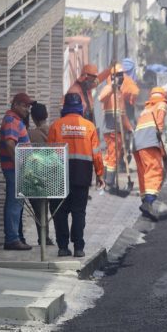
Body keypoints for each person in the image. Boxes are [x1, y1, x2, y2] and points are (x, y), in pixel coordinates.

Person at [48, 93, 104, 257]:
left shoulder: (56, 126)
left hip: (59, 175)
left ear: (64, 107)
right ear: (81, 108)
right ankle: (79, 248)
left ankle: (63, 247)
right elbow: (96, 155)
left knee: (60, 212)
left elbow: (49, 154)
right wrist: (100, 174)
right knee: (79, 212)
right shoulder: (89, 127)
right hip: (82, 175)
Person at [0, 93, 33, 250]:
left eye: (28, 106)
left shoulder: (15, 120)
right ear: (16, 105)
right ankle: (12, 239)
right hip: (14, 170)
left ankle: (15, 237)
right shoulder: (12, 120)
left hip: (16, 169)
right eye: (25, 106)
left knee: (16, 203)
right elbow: (9, 144)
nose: (28, 109)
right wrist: (19, 164)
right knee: (14, 204)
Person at [133, 87, 167, 221]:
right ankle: (148, 202)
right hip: (149, 143)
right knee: (154, 170)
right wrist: (162, 151)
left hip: (137, 144)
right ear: (163, 95)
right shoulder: (162, 104)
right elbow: (158, 126)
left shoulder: (146, 109)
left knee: (143, 173)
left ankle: (145, 204)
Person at [98, 64, 132, 189]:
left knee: (110, 155)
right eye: (118, 75)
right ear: (112, 77)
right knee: (113, 155)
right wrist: (112, 86)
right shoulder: (109, 89)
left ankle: (106, 179)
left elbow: (123, 115)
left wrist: (129, 128)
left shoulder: (119, 93)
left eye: (121, 75)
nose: (121, 78)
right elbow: (101, 98)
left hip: (117, 129)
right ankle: (110, 182)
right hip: (110, 128)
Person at [27, 102, 54, 246]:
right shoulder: (53, 130)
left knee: (39, 208)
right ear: (47, 115)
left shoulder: (30, 134)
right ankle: (53, 239)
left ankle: (43, 237)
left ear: (32, 117)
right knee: (53, 209)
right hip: (54, 176)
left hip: (37, 176)